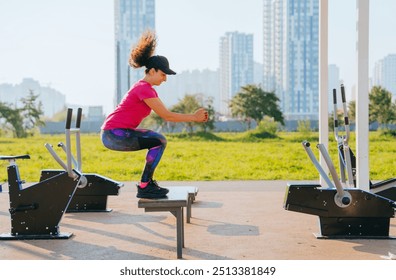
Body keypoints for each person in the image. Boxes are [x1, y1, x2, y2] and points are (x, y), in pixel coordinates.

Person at [100, 30, 208, 199]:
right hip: (113, 134)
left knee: (158, 141)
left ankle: (146, 184)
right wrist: (194, 117)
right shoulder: (143, 88)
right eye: (163, 74)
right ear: (152, 71)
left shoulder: (146, 89)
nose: (165, 79)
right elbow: (167, 116)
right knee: (159, 140)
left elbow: (165, 113)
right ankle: (145, 186)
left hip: (115, 133)